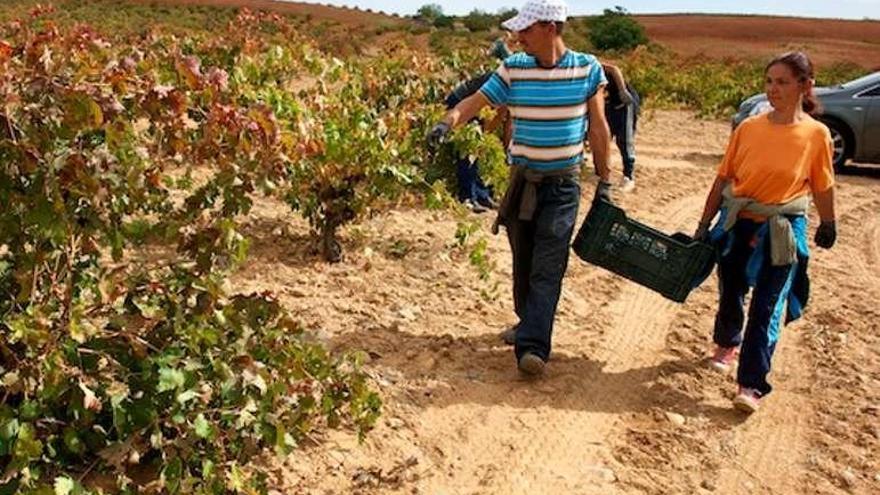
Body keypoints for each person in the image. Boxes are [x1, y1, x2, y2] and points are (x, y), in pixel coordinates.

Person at [426, 0, 613, 377]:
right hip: (521, 183)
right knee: (523, 263)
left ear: (549, 27)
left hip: (563, 186)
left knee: (548, 265)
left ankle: (533, 347)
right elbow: (474, 102)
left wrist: (605, 180)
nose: (518, 37)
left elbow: (598, 127)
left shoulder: (587, 69)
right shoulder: (514, 68)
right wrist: (447, 124)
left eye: (525, 30)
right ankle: (528, 321)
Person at [694, 51, 837, 413]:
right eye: (769, 81)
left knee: (767, 306)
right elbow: (724, 177)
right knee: (732, 287)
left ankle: (751, 384)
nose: (773, 89)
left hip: (784, 227)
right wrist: (703, 223)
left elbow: (822, 184)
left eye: (783, 82)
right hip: (739, 219)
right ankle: (727, 342)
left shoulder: (816, 134)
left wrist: (829, 221)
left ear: (806, 86)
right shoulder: (748, 128)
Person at [443, 72, 498, 213]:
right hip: (460, 103)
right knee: (468, 149)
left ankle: (482, 195)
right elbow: (494, 113)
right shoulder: (507, 80)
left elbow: (505, 117)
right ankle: (467, 197)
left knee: (479, 148)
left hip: (477, 106)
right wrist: (485, 138)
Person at [602, 63, 640, 192]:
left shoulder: (586, 64)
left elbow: (613, 68)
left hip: (625, 102)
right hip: (609, 104)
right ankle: (602, 172)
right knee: (604, 137)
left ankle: (628, 176)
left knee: (624, 139)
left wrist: (622, 90)